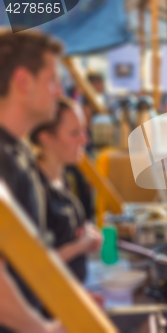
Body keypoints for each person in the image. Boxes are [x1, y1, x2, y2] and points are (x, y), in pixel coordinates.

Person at [0, 29, 66, 333]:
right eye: (52, 80)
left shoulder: (19, 150)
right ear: (24, 81)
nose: (59, 92)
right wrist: (41, 328)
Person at [30, 99, 102, 283]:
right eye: (74, 133)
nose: (85, 139)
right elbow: (33, 265)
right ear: (46, 138)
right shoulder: (34, 189)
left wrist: (86, 233)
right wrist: (81, 245)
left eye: (84, 130)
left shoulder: (62, 177)